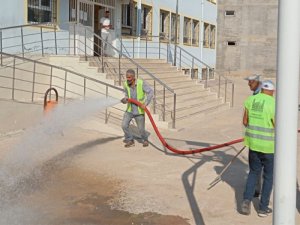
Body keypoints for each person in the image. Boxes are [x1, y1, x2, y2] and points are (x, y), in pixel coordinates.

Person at [241, 80, 275, 217]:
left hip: (253, 144)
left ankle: (246, 201)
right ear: (272, 91)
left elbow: (245, 121)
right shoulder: (274, 103)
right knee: (268, 177)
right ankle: (262, 208)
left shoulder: (250, 100)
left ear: (261, 90)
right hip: (268, 147)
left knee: (253, 172)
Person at [121, 69, 154, 148]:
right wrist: (125, 99)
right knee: (124, 125)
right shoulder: (125, 84)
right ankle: (130, 140)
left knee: (141, 129)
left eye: (129, 78)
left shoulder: (141, 83)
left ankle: (145, 139)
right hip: (129, 110)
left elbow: (150, 92)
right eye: (127, 77)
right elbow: (126, 93)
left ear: (133, 77)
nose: (128, 79)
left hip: (139, 111)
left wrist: (145, 104)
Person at [244, 74, 262, 198]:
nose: (248, 85)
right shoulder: (255, 95)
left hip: (258, 139)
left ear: (257, 82)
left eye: (250, 83)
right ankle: (257, 189)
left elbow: (246, 121)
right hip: (258, 138)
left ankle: (256, 191)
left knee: (256, 168)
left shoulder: (259, 97)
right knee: (257, 168)